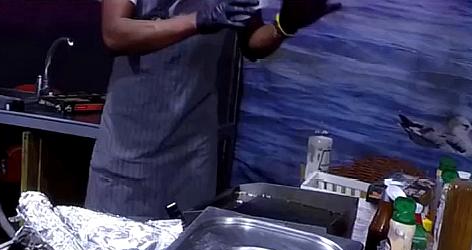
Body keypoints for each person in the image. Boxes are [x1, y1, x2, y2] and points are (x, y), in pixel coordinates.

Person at [87, 0, 340, 220]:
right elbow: (115, 33)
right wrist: (199, 20)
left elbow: (252, 43)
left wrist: (284, 25)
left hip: (192, 153)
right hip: (129, 145)